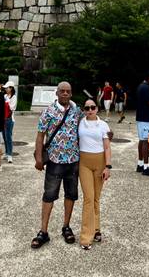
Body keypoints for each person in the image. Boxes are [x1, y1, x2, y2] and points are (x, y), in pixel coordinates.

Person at [31, 82, 83, 249]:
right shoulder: (48, 111)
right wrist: (39, 158)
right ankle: (43, 231)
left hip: (73, 161)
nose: (65, 94)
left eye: (68, 91)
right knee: (49, 195)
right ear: (57, 93)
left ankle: (66, 226)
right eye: (62, 91)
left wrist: (105, 133)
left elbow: (88, 126)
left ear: (71, 93)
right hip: (54, 161)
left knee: (71, 195)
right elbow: (40, 136)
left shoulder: (77, 111)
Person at [78, 99, 111, 250]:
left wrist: (108, 166)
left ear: (97, 109)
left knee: (96, 198)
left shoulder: (103, 125)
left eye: (92, 107)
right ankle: (86, 236)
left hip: (100, 162)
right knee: (88, 198)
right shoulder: (80, 123)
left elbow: (107, 147)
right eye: (87, 108)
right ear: (83, 109)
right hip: (84, 162)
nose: (90, 110)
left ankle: (96, 229)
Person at [3, 81, 17, 163]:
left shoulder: (13, 97)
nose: (5, 89)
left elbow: (12, 108)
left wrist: (7, 101)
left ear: (11, 88)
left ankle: (10, 155)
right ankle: (6, 152)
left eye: (7, 88)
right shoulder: (5, 96)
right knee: (4, 137)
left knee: (8, 137)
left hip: (9, 119)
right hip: (2, 119)